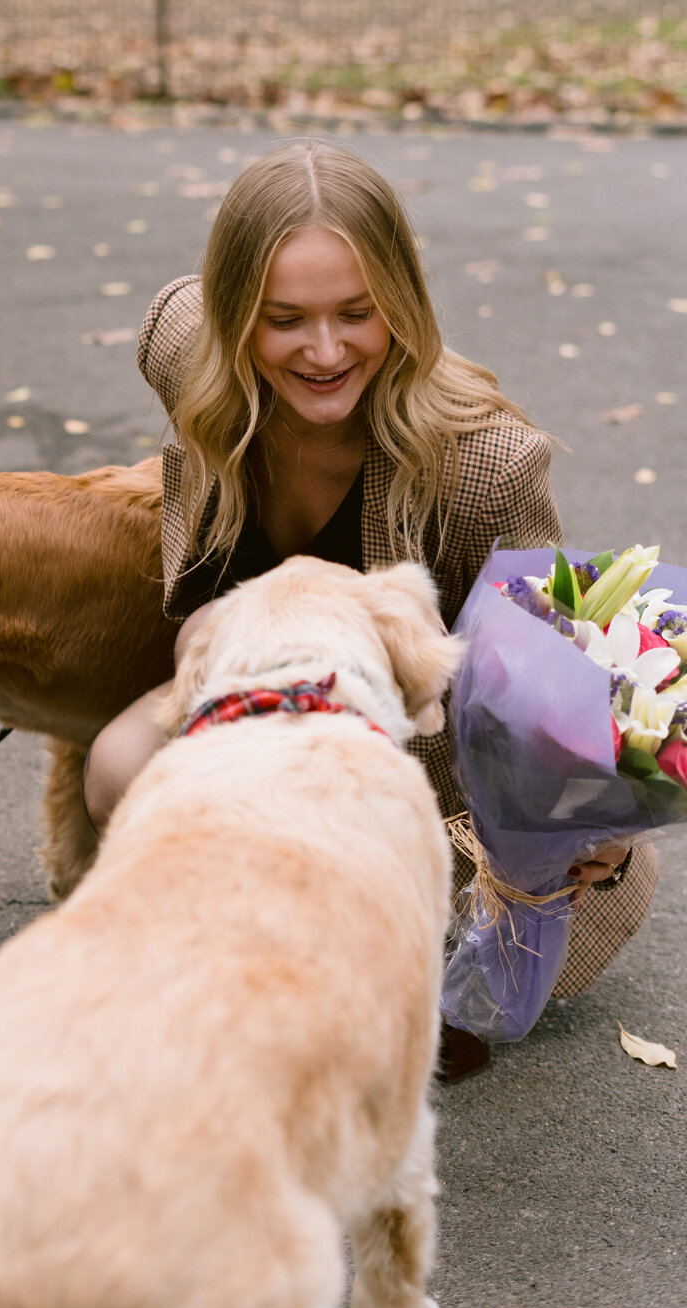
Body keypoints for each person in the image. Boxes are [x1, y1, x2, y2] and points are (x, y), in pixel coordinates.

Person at [84, 140, 656, 1080]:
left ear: (402, 296)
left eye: (359, 313)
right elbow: (178, 305)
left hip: (432, 795)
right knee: (120, 764)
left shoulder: (487, 465)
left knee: (412, 1033)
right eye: (283, 320)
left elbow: (574, 669)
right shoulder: (188, 354)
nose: (323, 350)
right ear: (235, 317)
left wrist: (593, 826)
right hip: (256, 724)